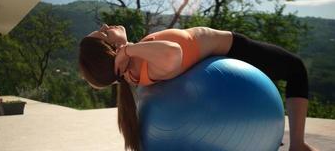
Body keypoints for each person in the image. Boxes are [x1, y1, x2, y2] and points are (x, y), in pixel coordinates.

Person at [79, 24, 318, 151]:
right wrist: (128, 48)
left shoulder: (135, 69)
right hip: (234, 49)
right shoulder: (143, 63)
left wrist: (127, 51)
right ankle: (297, 144)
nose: (106, 25)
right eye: (103, 32)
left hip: (220, 64)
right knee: (296, 68)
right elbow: (175, 53)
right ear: (112, 50)